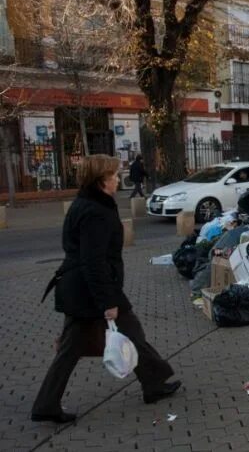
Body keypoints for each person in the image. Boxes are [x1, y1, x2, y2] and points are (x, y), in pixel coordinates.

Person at [32, 155, 181, 424]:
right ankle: (46, 404)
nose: (117, 179)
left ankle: (154, 381)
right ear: (102, 180)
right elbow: (93, 261)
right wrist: (107, 301)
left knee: (118, 335)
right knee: (107, 337)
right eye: (113, 175)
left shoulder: (87, 204)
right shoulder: (95, 212)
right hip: (90, 290)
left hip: (84, 288)